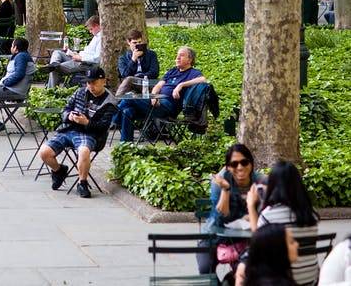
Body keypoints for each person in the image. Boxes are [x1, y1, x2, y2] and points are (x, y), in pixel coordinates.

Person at [38, 67, 117, 198]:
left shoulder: (110, 102)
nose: (90, 86)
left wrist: (86, 122)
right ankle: (58, 170)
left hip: (91, 134)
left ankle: (82, 182)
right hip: (69, 130)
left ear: (103, 81)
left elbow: (103, 127)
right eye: (88, 82)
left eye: (94, 82)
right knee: (44, 152)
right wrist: (69, 116)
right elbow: (66, 108)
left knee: (84, 151)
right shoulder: (80, 92)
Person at [239, 161, 319, 286]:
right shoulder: (311, 213)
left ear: (273, 184)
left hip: (286, 279)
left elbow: (258, 240)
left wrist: (250, 205)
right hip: (311, 277)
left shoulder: (270, 214)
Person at [197, 143, 266, 275]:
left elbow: (267, 215)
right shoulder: (220, 181)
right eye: (234, 164)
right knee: (205, 269)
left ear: (251, 164)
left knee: (247, 271)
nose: (240, 167)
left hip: (246, 239)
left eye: (244, 162)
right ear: (228, 167)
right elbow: (220, 218)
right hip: (214, 237)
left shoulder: (261, 181)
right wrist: (226, 189)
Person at [117, 46, 206, 142]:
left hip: (168, 107)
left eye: (182, 55)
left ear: (190, 60)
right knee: (127, 111)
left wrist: (181, 85)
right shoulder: (172, 71)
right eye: (177, 55)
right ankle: (126, 143)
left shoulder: (193, 73)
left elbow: (203, 79)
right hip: (156, 103)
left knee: (129, 99)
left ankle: (112, 117)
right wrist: (153, 96)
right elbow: (158, 86)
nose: (177, 57)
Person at [41, 15, 102, 88]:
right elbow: (89, 52)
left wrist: (80, 58)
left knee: (55, 70)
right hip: (79, 58)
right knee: (57, 52)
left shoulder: (101, 38)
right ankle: (54, 64)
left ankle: (51, 90)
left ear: (97, 26)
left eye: (91, 29)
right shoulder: (96, 37)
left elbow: (96, 58)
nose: (90, 31)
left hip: (84, 63)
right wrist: (76, 54)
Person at [115, 29, 160, 96]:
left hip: (148, 83)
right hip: (131, 86)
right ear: (128, 42)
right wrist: (133, 60)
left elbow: (154, 72)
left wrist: (139, 77)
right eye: (135, 43)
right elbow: (125, 74)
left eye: (139, 42)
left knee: (130, 79)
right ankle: (116, 104)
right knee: (129, 83)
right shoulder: (123, 58)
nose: (137, 45)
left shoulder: (151, 55)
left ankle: (115, 102)